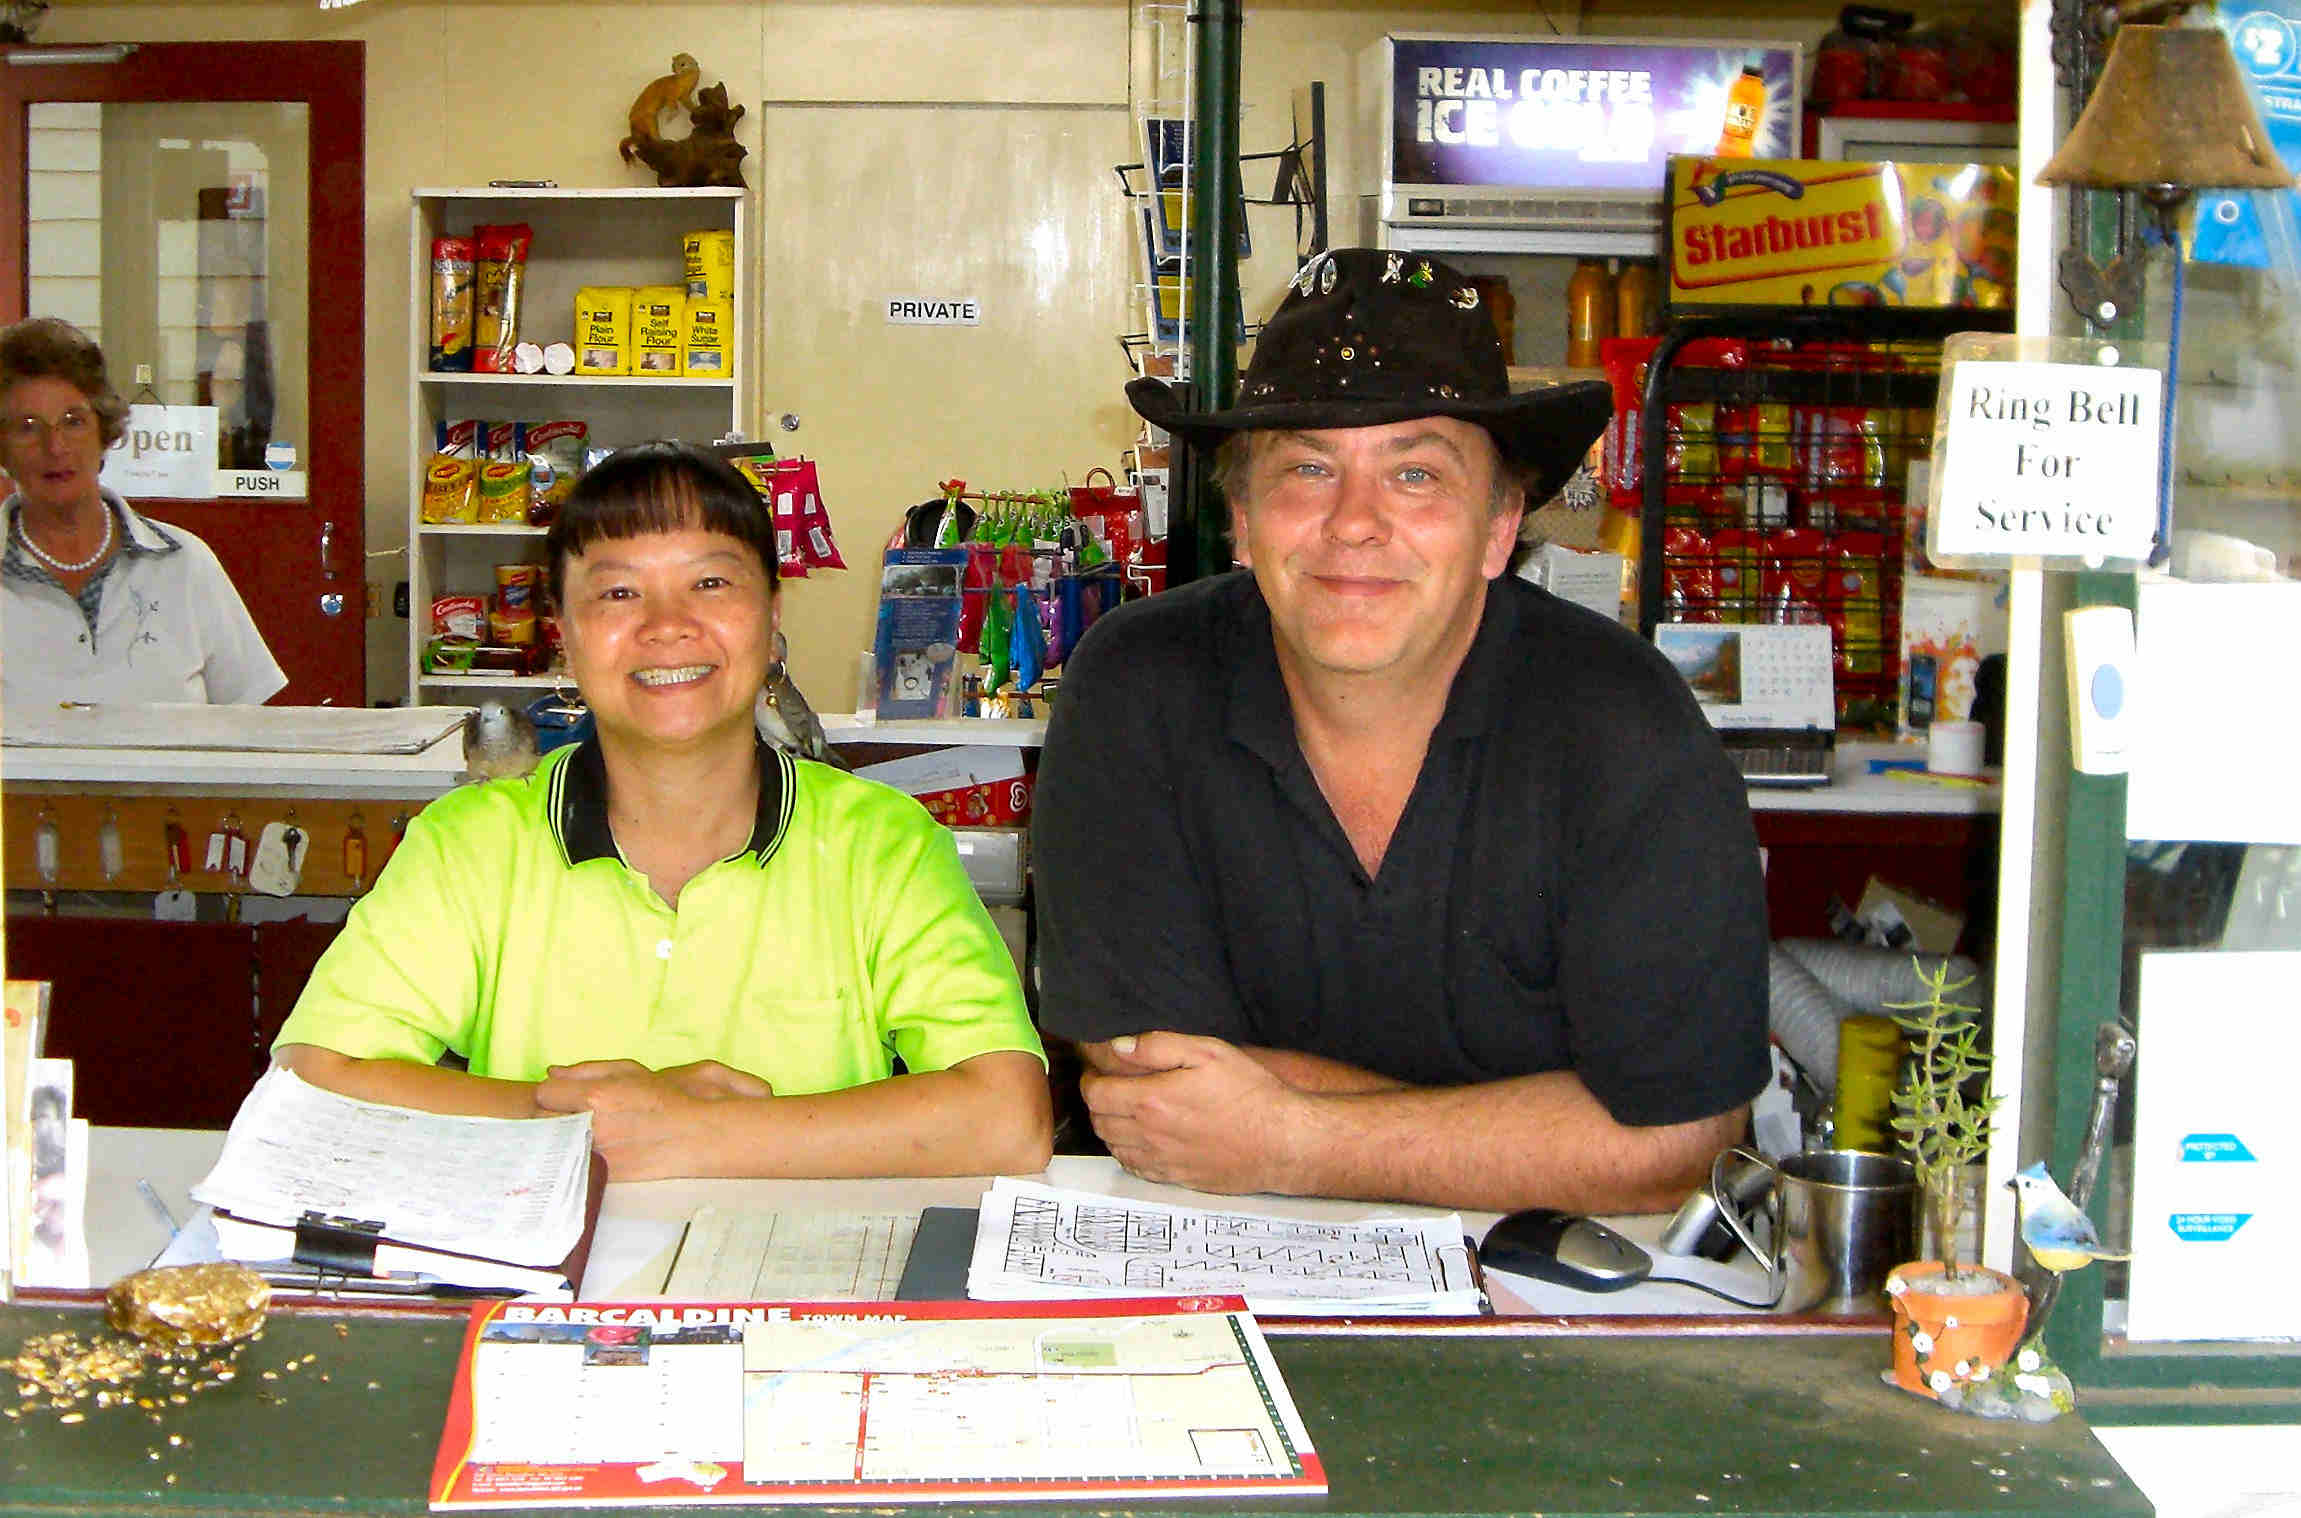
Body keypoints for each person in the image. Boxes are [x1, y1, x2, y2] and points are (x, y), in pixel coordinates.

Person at [1032, 249, 1769, 1214]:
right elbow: (1153, 1088)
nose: (1355, 523)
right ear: (1242, 519)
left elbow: (1680, 1139)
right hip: (1210, 1251)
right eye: (1307, 468)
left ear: (1500, 526)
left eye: (1416, 473)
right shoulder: (1138, 682)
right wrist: (1541, 1132)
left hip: (1543, 1281)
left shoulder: (1619, 717)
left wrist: (1294, 1138)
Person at [275, 442, 1052, 1181]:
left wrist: (693, 1132)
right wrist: (589, 1126)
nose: (665, 623)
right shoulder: (471, 843)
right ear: (564, 637)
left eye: (710, 584)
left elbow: (1006, 1118)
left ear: (771, 615)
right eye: (617, 592)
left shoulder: (880, 843)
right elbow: (313, 1082)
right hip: (540, 1283)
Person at [0, 316, 284, 706]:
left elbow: (251, 729)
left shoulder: (185, 564)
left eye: (74, 421)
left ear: (104, 431)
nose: (56, 446)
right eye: (28, 426)